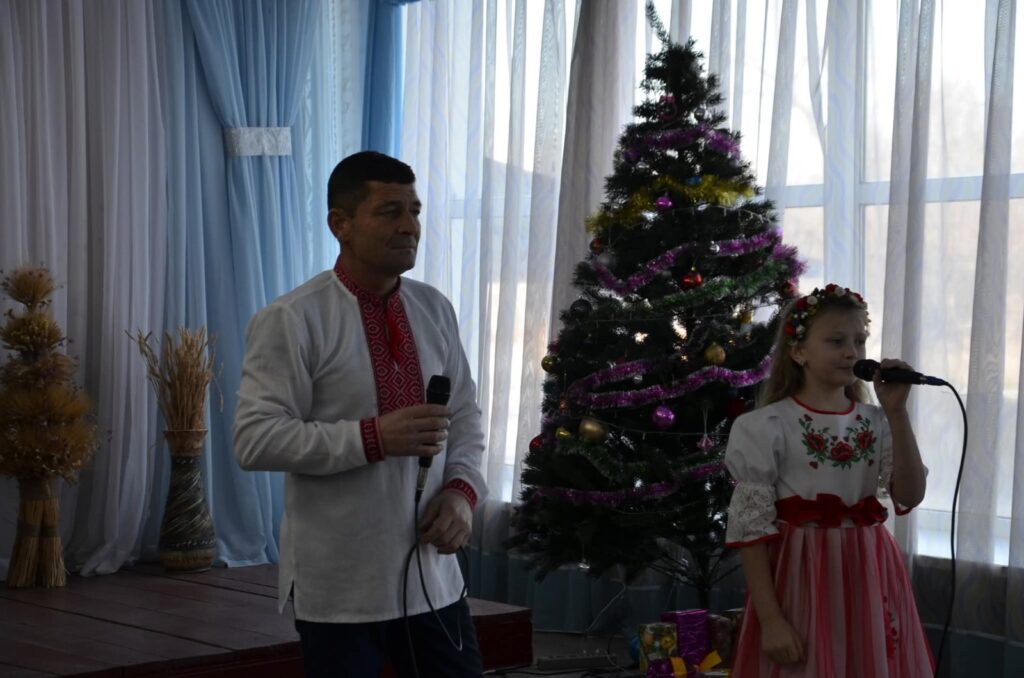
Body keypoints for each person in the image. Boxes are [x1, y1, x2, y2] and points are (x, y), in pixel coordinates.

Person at [233, 151, 488, 677]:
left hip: (433, 580)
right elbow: (255, 439)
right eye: (390, 211)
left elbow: (464, 418)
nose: (409, 226)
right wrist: (372, 438)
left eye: (415, 211)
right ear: (340, 224)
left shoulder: (434, 308)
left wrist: (462, 495)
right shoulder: (292, 318)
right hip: (340, 591)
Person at [724, 284, 935, 677]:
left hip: (868, 573)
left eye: (859, 340)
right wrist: (771, 620)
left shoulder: (878, 421)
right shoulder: (766, 426)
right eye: (836, 341)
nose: (852, 352)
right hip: (801, 577)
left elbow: (910, 495)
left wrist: (897, 412)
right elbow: (751, 532)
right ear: (798, 351)